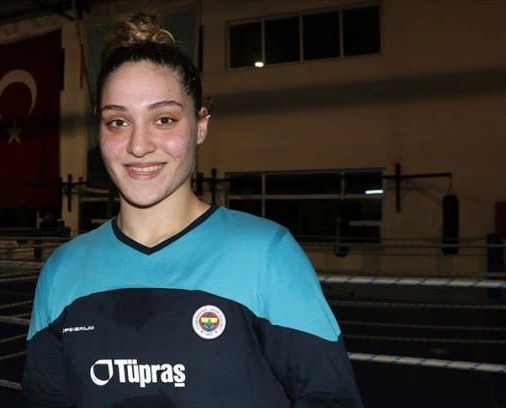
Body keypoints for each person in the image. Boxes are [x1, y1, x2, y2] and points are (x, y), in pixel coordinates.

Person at [21, 12, 362, 407]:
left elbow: (330, 397)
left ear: (201, 124)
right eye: (118, 122)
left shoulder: (266, 254)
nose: (138, 145)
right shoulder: (64, 270)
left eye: (164, 119)